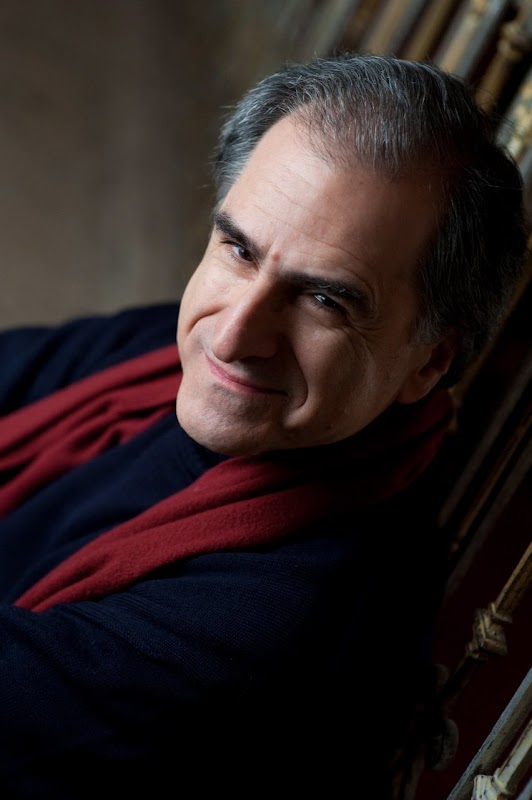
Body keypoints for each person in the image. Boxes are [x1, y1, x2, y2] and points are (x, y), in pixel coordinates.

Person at [0, 53, 528, 799]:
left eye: (326, 301)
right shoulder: (176, 360)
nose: (234, 334)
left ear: (429, 363)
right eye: (239, 249)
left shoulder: (288, 621)